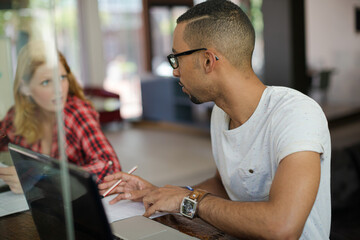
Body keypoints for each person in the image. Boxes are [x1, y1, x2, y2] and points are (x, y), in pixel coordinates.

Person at [99, 1, 331, 239]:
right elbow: (226, 186)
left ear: (208, 61)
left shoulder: (296, 114)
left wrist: (190, 200)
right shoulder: (221, 114)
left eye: (177, 58)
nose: (175, 71)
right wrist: (161, 194)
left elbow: (282, 227)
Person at [0, 41, 122, 193]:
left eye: (62, 77)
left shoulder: (76, 112)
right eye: (46, 82)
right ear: (25, 88)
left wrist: (42, 179)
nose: (59, 90)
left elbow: (111, 168)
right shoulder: (16, 115)